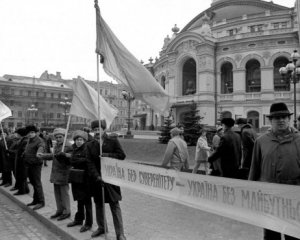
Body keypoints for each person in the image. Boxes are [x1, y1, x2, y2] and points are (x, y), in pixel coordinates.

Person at [249, 102, 300, 240]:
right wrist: (250, 193)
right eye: (277, 118)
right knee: (271, 235)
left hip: (293, 197)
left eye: (284, 117)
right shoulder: (261, 142)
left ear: (289, 119)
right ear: (270, 121)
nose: (281, 120)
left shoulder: (299, 139)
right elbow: (255, 168)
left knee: (293, 234)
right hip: (269, 197)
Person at [86, 120, 127, 240]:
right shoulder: (90, 145)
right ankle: (101, 227)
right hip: (97, 179)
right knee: (99, 204)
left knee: (114, 205)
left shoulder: (112, 141)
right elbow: (89, 162)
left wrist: (108, 155)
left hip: (111, 179)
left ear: (104, 129)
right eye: (95, 129)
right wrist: (97, 176)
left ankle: (120, 233)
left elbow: (122, 156)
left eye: (99, 129)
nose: (97, 131)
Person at [38, 128, 72, 220]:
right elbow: (54, 156)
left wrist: (65, 156)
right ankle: (59, 210)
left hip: (64, 173)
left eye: (60, 137)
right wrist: (43, 156)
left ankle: (66, 211)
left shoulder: (68, 146)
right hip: (56, 172)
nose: (58, 139)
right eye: (56, 137)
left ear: (64, 137)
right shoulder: (57, 145)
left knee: (64, 193)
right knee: (57, 193)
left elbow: (72, 159)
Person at [67, 130, 93, 233]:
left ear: (84, 140)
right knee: (79, 200)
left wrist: (76, 160)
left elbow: (87, 161)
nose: (78, 141)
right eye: (77, 139)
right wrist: (77, 160)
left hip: (86, 179)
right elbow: (72, 161)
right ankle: (78, 219)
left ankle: (88, 223)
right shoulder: (74, 149)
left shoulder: (87, 149)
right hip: (76, 178)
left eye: (81, 139)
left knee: (87, 202)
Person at [24, 125, 45, 210]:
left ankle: (41, 201)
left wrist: (39, 152)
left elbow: (41, 147)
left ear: (35, 132)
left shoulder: (39, 140)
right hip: (29, 164)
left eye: (32, 132)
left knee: (37, 183)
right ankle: (35, 200)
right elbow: (28, 149)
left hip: (36, 164)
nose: (30, 134)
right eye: (29, 133)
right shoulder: (29, 140)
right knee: (32, 182)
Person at [13, 127, 30, 195]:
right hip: (20, 160)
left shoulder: (25, 141)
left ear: (20, 134)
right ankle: (25, 189)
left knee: (21, 176)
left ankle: (22, 190)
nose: (16, 135)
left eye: (17, 133)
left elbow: (23, 151)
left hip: (22, 161)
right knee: (21, 176)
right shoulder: (22, 140)